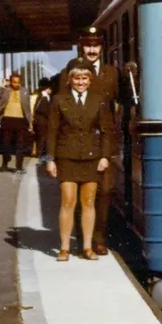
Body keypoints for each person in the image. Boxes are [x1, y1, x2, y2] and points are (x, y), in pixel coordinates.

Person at [58, 26, 120, 255]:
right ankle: (80, 239)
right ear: (81, 47)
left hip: (104, 141)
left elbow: (121, 103)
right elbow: (62, 105)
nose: (92, 50)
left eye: (96, 45)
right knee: (76, 193)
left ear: (102, 48)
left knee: (104, 191)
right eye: (88, 45)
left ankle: (99, 238)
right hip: (77, 144)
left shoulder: (112, 73)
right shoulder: (68, 72)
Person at [45, 58, 115, 262]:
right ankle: (64, 248)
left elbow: (106, 131)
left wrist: (105, 156)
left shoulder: (99, 99)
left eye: (85, 78)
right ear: (70, 80)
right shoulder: (58, 100)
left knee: (89, 202)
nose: (81, 82)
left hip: (91, 158)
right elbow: (52, 131)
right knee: (68, 201)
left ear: (90, 80)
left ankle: (87, 247)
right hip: (66, 157)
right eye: (77, 78)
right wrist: (50, 159)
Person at [0, 73, 32, 172]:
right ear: (10, 82)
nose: (16, 84)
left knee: (20, 145)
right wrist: (2, 86)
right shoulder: (6, 90)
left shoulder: (24, 91)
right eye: (14, 82)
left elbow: (28, 108)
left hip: (21, 120)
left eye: (18, 82)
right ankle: (5, 162)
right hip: (7, 119)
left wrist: (30, 122)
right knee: (5, 144)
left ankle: (19, 166)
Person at [30, 77, 54, 159]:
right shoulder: (44, 97)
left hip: (37, 120)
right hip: (42, 121)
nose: (51, 91)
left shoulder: (39, 95)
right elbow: (44, 109)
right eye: (50, 89)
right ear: (47, 88)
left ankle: (38, 152)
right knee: (42, 138)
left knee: (39, 137)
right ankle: (39, 154)